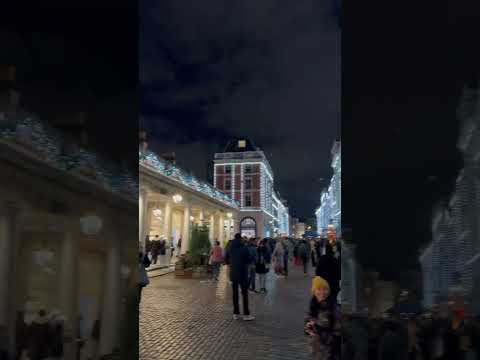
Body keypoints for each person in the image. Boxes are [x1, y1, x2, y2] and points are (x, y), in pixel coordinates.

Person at [304, 276, 340, 360]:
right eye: (319, 289)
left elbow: (338, 330)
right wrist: (308, 328)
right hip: (315, 348)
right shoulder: (313, 304)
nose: (322, 292)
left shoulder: (333, 306)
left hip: (329, 350)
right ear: (314, 291)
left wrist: (328, 340)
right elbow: (307, 322)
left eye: (325, 289)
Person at [225, 233, 255, 321]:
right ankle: (246, 314)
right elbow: (249, 260)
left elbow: (226, 260)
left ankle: (236, 313)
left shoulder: (230, 248)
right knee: (244, 294)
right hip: (243, 273)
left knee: (235, 294)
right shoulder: (244, 248)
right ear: (241, 239)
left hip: (233, 274)